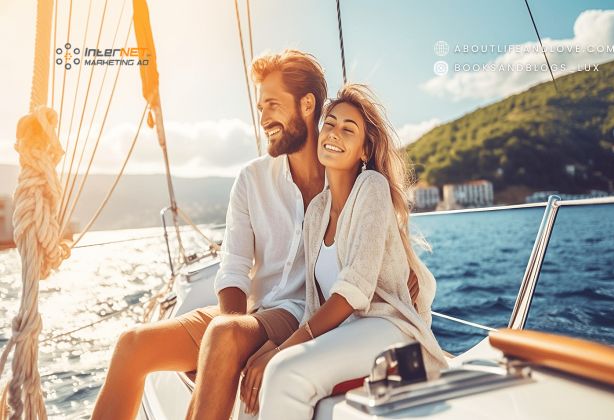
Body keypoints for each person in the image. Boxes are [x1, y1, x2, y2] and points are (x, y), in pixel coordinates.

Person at [92, 50, 419, 420]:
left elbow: (383, 259)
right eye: (260, 107)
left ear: (307, 105)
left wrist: (236, 337)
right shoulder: (252, 179)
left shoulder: (346, 183)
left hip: (300, 314)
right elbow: (233, 268)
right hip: (250, 313)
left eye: (273, 105)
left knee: (225, 336)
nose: (262, 119)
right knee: (133, 345)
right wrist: (234, 327)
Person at [239, 84, 449, 420]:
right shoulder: (317, 213)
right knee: (253, 375)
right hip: (347, 334)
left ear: (363, 150)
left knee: (283, 372)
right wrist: (265, 351)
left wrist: (281, 350)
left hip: (391, 331)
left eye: (347, 129)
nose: (334, 133)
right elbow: (314, 305)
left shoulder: (372, 187)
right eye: (330, 124)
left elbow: (354, 290)